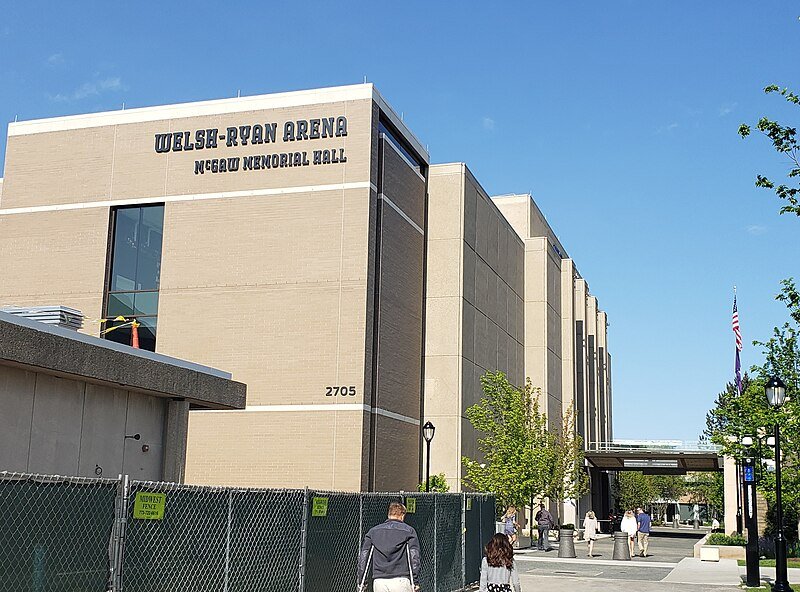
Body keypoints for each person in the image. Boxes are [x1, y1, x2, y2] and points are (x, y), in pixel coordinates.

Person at [357, 502, 421, 592]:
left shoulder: (373, 532)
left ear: (389, 514)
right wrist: (415, 581)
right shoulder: (409, 531)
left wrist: (361, 581)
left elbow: (364, 557)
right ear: (402, 515)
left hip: (379, 581)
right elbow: (414, 556)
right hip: (401, 580)